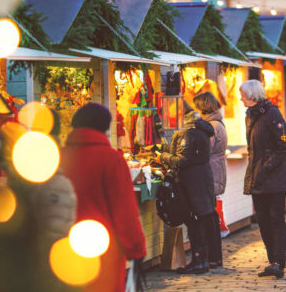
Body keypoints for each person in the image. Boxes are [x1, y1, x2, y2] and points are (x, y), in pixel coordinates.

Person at [61, 103, 146, 291]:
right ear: (105, 127)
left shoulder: (59, 157)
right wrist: (136, 248)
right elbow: (124, 211)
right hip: (104, 248)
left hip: (63, 245)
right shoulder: (111, 160)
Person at [240, 79, 286, 279]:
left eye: (243, 94)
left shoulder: (272, 113)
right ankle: (272, 260)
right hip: (258, 178)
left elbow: (283, 145)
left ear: (252, 96)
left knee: (276, 219)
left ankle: (279, 262)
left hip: (274, 177)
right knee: (262, 221)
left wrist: (267, 166)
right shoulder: (250, 116)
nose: (240, 98)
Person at [159, 101, 216, 275]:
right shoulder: (203, 131)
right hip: (200, 182)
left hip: (192, 185)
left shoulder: (189, 134)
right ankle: (201, 260)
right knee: (197, 220)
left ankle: (199, 261)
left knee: (194, 221)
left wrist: (163, 156)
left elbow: (183, 159)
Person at [193, 92, 227, 268]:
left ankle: (212, 256)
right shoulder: (217, 123)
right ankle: (214, 257)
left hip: (210, 172)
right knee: (211, 215)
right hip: (216, 169)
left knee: (208, 216)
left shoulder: (211, 126)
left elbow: (205, 149)